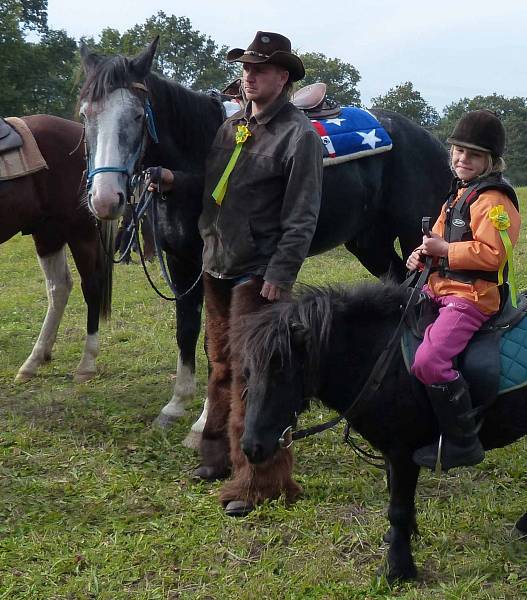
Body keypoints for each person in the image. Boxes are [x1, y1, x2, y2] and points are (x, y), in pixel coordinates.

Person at [148, 31, 324, 516]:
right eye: (245, 69)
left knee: (257, 375)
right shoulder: (232, 129)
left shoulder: (299, 136)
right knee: (221, 362)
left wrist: (281, 271)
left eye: (259, 70)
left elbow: (303, 214)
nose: (248, 77)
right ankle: (217, 457)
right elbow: (213, 186)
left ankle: (258, 483)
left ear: (282, 77)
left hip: (258, 272)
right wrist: (172, 180)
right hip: (217, 263)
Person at [406, 110, 521, 471]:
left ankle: (462, 440)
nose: (462, 159)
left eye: (472, 155)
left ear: (490, 161)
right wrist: (421, 252)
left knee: (429, 360)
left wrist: (444, 252)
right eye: (458, 151)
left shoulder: (493, 201)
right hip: (437, 288)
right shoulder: (457, 196)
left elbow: (493, 256)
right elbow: (437, 238)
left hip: (470, 297)